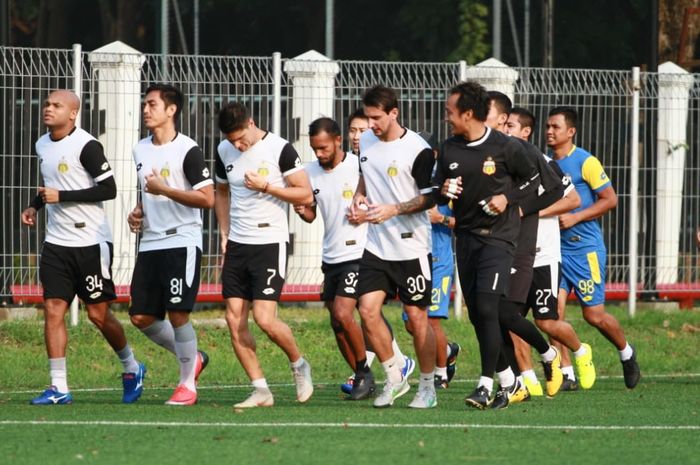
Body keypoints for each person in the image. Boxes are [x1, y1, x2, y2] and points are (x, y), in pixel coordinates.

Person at [22, 89, 144, 405]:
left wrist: (60, 197)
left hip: (90, 241)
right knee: (53, 310)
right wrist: (35, 205)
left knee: (98, 315)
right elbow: (51, 186)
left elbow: (109, 189)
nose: (48, 109)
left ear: (73, 113)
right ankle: (58, 387)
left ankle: (131, 367)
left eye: (56, 105)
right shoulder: (42, 144)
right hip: (56, 243)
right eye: (47, 104)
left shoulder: (87, 146)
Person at [434, 81, 542, 410]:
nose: (446, 117)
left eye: (450, 112)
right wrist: (445, 188)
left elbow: (534, 181)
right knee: (478, 317)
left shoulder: (506, 147)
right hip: (464, 238)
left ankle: (484, 385)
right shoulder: (449, 147)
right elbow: (440, 186)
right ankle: (508, 382)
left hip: (499, 238)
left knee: (487, 308)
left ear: (468, 113)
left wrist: (505, 197)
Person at [215, 102, 314, 408]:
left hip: (270, 242)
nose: (237, 145)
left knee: (265, 319)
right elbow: (221, 193)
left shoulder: (280, 149)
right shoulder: (223, 150)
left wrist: (268, 187)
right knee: (234, 319)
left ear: (252, 123)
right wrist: (224, 233)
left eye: (241, 138)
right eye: (232, 140)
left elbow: (305, 193)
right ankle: (261, 389)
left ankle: (299, 364)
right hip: (238, 245)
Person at [349, 85, 437, 409]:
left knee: (416, 320)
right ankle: (395, 375)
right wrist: (359, 195)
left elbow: (431, 197)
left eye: (376, 118)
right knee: (367, 310)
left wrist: (394, 209)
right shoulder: (367, 142)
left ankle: (427, 387)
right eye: (367, 117)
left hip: (411, 246)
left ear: (394, 113)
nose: (369, 125)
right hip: (376, 245)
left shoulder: (418, 149)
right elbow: (364, 174)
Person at [127, 83, 213, 406]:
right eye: (144, 105)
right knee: (141, 317)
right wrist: (138, 212)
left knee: (178, 313)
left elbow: (207, 198)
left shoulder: (187, 149)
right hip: (150, 242)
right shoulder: (140, 149)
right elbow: (148, 193)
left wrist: (165, 191)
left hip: (183, 239)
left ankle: (187, 383)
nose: (146, 110)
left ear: (171, 110)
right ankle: (194, 358)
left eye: (152, 104)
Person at [546, 106, 640, 389]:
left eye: (556, 127)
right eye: (548, 127)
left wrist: (575, 216)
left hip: (584, 250)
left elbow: (610, 199)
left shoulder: (585, 161)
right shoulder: (545, 163)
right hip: (555, 250)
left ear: (570, 131)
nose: (549, 132)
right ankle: (567, 373)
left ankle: (626, 352)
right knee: (552, 313)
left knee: (593, 315)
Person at [504, 106, 596, 396]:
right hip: (513, 256)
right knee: (510, 319)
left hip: (543, 256)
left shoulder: (544, 163)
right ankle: (528, 381)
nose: (504, 131)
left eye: (510, 126)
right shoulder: (499, 166)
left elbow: (573, 200)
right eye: (502, 125)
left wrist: (533, 212)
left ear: (525, 132)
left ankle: (581, 350)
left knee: (546, 321)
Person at [483, 91, 566, 409]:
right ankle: (514, 382)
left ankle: (549, 356)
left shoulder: (525, 151)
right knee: (486, 314)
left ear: (502, 119)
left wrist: (520, 208)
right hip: (489, 242)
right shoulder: (481, 151)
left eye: (484, 112)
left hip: (520, 245)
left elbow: (557, 189)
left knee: (504, 313)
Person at [294, 117, 377, 399]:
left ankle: (365, 372)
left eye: (324, 148)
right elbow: (311, 214)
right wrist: (301, 210)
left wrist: (364, 213)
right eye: (315, 149)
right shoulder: (309, 172)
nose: (319, 154)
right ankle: (361, 372)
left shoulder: (358, 166)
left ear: (338, 141)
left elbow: (379, 202)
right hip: (330, 255)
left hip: (358, 252)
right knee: (336, 322)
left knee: (345, 312)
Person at [338, 109, 415, 396]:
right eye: (353, 131)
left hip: (379, 248)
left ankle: (369, 368)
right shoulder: (343, 162)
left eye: (363, 130)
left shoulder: (383, 159)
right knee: (356, 313)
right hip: (343, 252)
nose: (358, 136)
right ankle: (392, 362)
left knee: (363, 310)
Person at [402, 132, 461, 390]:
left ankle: (440, 373)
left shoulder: (448, 184)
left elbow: (466, 222)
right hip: (413, 255)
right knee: (411, 322)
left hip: (440, 259)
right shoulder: (405, 181)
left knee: (431, 319)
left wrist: (443, 219)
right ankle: (447, 350)